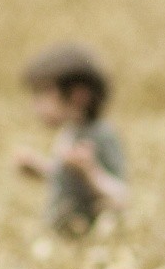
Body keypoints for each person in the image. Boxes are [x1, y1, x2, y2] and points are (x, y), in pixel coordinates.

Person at [13, 43, 129, 237]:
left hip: (87, 241)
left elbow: (121, 196)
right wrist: (40, 169)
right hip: (64, 236)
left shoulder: (101, 136)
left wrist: (90, 172)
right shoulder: (70, 133)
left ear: (78, 96)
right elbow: (70, 183)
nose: (35, 107)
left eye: (42, 95)